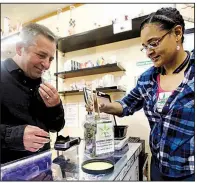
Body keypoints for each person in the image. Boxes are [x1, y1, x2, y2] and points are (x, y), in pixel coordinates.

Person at [86, 7, 194, 181]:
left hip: (189, 171)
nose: (149, 51)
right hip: (158, 167)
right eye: (144, 46)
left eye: (154, 42)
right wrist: (104, 105)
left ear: (177, 33)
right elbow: (126, 105)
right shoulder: (148, 78)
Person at [1, 23, 65, 164]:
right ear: (20, 49)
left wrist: (56, 106)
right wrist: (15, 136)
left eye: (50, 59)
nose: (47, 65)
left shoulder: (42, 83)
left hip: (44, 168)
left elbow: (56, 127)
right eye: (41, 55)